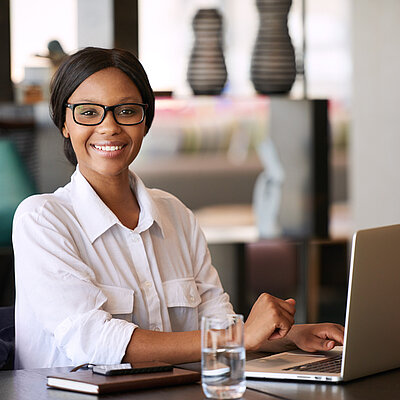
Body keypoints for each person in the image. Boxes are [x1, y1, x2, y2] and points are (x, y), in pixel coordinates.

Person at [13, 47, 344, 369]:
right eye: (88, 112)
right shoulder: (42, 220)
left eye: (127, 110)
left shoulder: (176, 215)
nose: (109, 126)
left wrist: (287, 336)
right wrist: (240, 336)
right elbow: (94, 343)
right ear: (64, 124)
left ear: (146, 121)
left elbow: (214, 331)